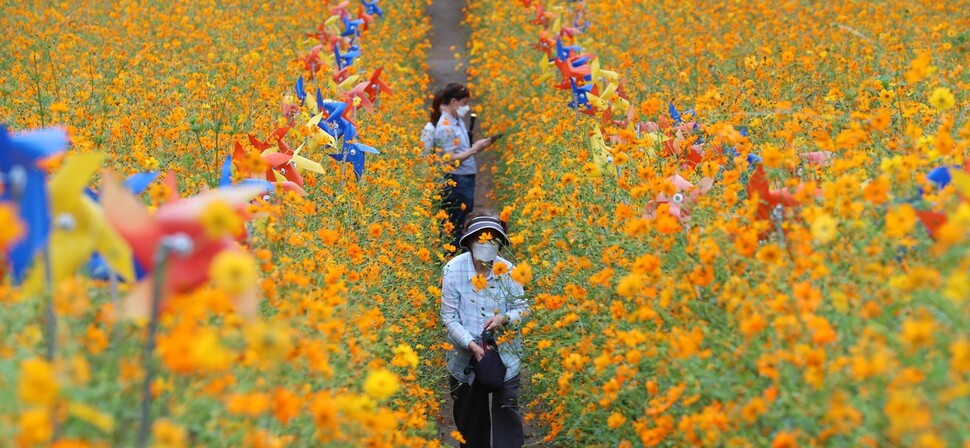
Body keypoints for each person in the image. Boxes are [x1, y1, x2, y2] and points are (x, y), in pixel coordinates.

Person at [440, 210, 528, 448]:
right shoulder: (453, 270)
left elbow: (523, 309)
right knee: (471, 425)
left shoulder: (510, 271)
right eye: (480, 238)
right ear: (469, 241)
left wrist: (505, 319)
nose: (485, 244)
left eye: (492, 239)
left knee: (507, 416)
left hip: (505, 355)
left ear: (500, 244)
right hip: (465, 359)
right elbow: (449, 318)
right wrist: (471, 344)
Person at [432, 83, 495, 248]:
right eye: (464, 103)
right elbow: (450, 159)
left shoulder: (456, 120)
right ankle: (453, 255)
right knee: (458, 223)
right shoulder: (445, 127)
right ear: (454, 101)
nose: (466, 107)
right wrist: (475, 149)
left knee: (463, 218)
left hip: (465, 177)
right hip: (457, 179)